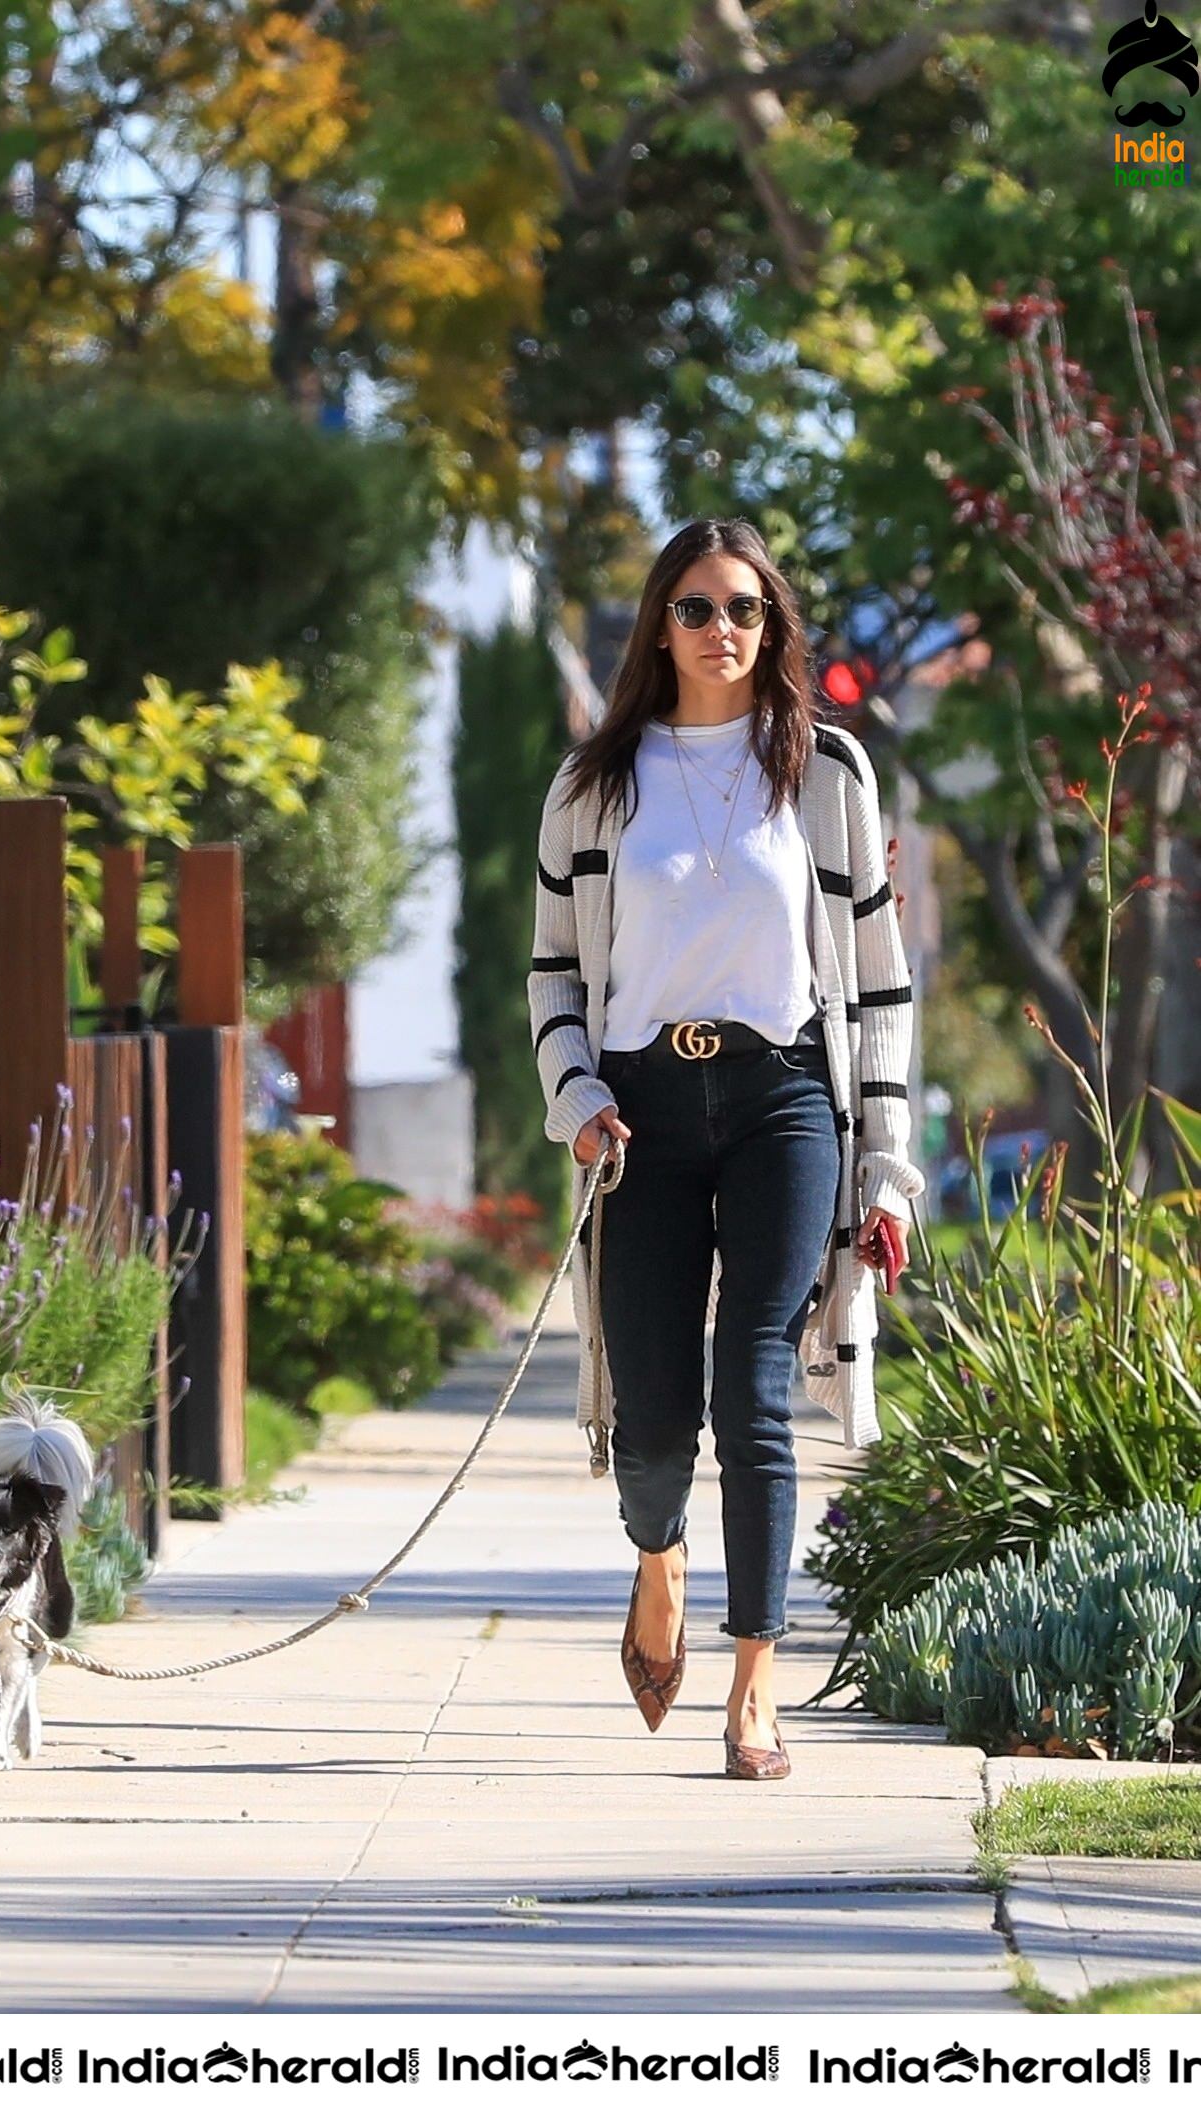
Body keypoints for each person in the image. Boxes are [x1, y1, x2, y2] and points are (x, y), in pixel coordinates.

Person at [526, 517, 925, 1781]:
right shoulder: (595, 783)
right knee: (652, 1416)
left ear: (773, 627)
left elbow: (880, 975)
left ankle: (756, 1684)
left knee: (755, 1389)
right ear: (660, 624)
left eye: (744, 609)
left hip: (782, 1100)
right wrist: (576, 1090)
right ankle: (659, 1557)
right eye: (696, 609)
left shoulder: (824, 773)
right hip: (637, 1113)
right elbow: (550, 978)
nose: (721, 630)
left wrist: (888, 1163)